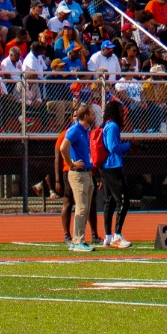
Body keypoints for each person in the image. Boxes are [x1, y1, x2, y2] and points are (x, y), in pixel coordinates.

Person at [98, 98, 133, 248]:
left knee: (110, 202)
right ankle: (117, 235)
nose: (122, 114)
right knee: (123, 201)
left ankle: (108, 236)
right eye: (120, 112)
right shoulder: (113, 126)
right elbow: (113, 147)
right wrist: (129, 145)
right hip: (113, 167)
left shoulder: (107, 125)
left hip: (107, 166)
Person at [62, 104, 97, 252]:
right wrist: (71, 164)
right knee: (81, 208)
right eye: (92, 114)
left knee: (86, 208)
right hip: (78, 174)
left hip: (87, 173)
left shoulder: (86, 131)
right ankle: (78, 241)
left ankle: (78, 239)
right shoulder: (75, 130)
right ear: (86, 116)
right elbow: (63, 147)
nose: (94, 116)